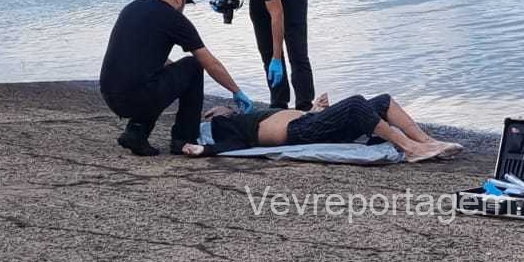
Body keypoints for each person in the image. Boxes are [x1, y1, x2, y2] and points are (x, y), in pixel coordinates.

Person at [99, 0, 255, 156]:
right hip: (135, 97)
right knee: (193, 65)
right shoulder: (173, 19)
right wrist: (236, 91)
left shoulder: (131, 8)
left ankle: (136, 133)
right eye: (184, 4)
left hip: (109, 94)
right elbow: (209, 62)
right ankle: (184, 138)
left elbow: (144, 58)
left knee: (158, 76)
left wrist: (177, 78)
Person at [201, 0, 313, 111]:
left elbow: (276, 14)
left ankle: (305, 105)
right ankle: (278, 104)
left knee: (296, 46)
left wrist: (277, 58)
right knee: (265, 47)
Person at [182, 92, 464, 162]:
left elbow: (289, 114)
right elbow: (235, 146)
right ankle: (410, 148)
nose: (221, 111)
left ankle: (427, 143)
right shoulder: (226, 128)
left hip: (308, 122)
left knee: (381, 101)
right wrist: (204, 149)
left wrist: (315, 110)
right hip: (299, 133)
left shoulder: (239, 115)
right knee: (355, 104)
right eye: (220, 113)